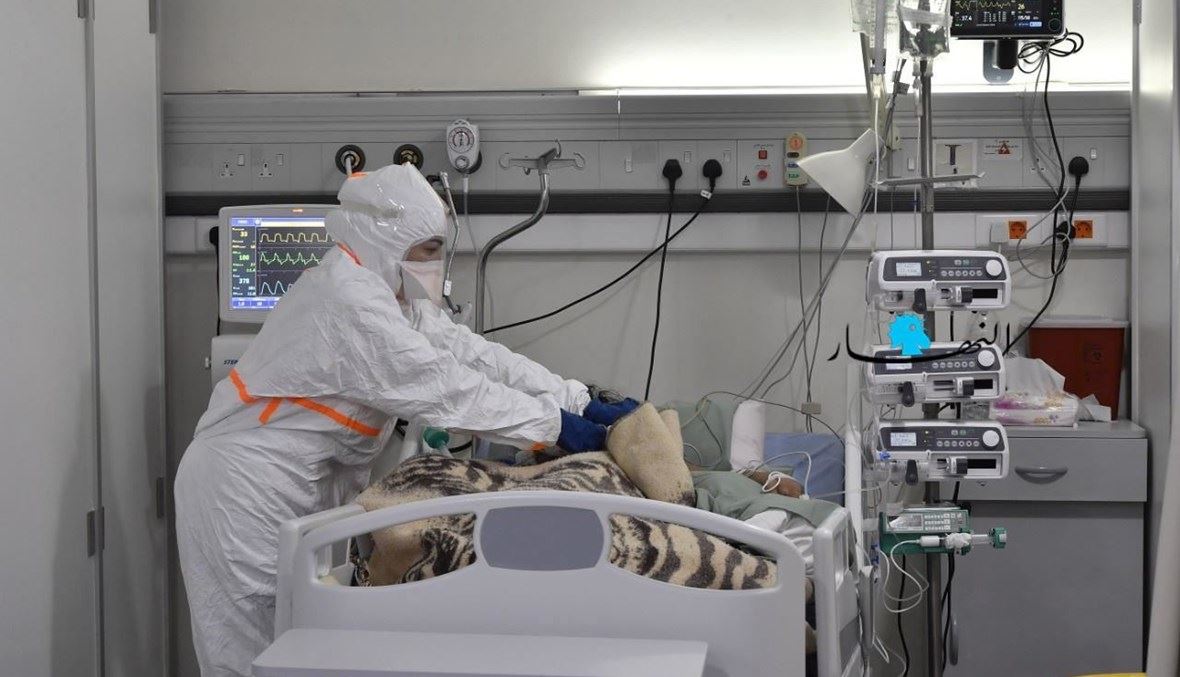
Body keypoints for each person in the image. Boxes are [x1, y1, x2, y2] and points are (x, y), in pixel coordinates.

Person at [175, 163, 637, 677]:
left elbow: (470, 353)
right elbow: (445, 386)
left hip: (303, 485)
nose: (435, 264)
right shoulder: (347, 301)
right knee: (254, 654)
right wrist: (556, 426)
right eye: (428, 250)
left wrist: (576, 399)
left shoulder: (390, 295)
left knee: (305, 649)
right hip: (244, 490)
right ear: (385, 242)